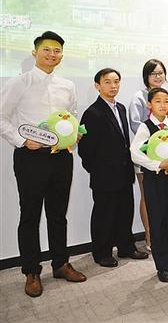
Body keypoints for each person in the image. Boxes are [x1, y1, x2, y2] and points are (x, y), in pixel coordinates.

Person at [0, 31, 87, 297]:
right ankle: (31, 271)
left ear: (62, 55)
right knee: (30, 215)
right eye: (47, 49)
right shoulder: (19, 82)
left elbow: (72, 115)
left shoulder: (67, 85)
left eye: (57, 50)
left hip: (61, 156)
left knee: (58, 214)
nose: (52, 54)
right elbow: (2, 117)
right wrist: (21, 140)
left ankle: (60, 264)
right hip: (30, 157)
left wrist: (75, 133)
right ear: (35, 52)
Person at [78, 68, 148, 268]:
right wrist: (96, 169)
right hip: (104, 174)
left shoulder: (122, 108)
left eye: (116, 81)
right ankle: (102, 252)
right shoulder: (92, 112)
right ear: (97, 85)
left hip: (124, 171)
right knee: (104, 214)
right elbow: (85, 149)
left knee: (125, 211)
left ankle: (126, 247)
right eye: (107, 82)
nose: (113, 86)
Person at [130, 88, 168, 283]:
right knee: (157, 221)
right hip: (154, 179)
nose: (163, 105)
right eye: (158, 101)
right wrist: (158, 165)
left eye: (166, 101)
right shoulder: (145, 128)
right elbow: (135, 153)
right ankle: (161, 265)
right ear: (149, 105)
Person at [128, 58, 168, 250]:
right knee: (147, 196)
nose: (158, 77)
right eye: (153, 73)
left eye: (161, 73)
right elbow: (135, 124)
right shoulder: (139, 97)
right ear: (146, 76)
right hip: (146, 155)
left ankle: (164, 235)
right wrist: (155, 140)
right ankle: (150, 236)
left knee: (165, 196)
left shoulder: (167, 96)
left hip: (166, 155)